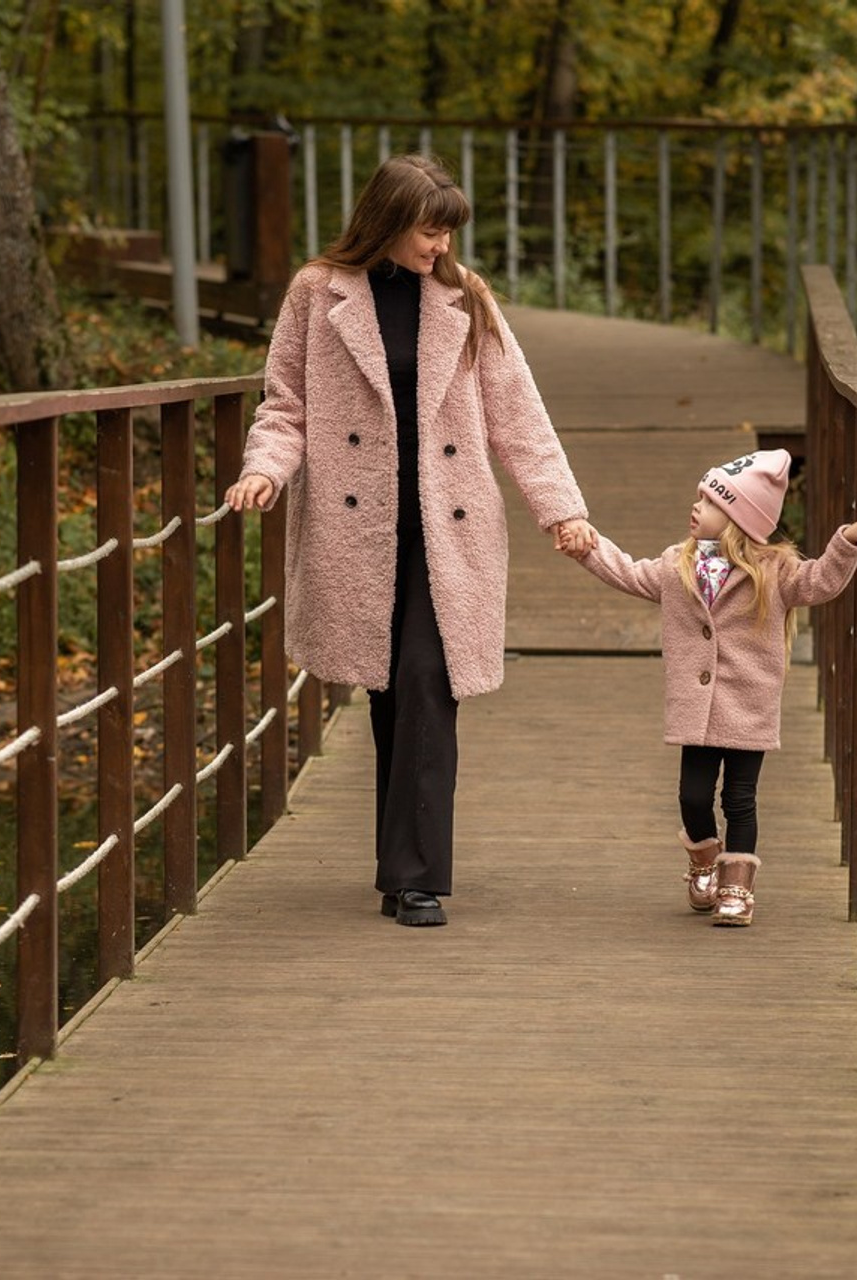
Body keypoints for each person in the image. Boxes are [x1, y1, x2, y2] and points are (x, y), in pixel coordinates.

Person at [225, 154, 595, 928]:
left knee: (428, 678)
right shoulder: (317, 292)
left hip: (446, 526)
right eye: (430, 231)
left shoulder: (465, 297)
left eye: (447, 233)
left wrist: (561, 509)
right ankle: (399, 869)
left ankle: (417, 877)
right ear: (388, 222)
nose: (441, 246)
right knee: (390, 689)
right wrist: (264, 470)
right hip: (356, 528)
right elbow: (285, 404)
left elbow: (516, 412)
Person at [560, 449, 857, 925]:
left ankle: (736, 889)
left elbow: (819, 582)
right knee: (693, 797)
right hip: (696, 710)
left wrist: (846, 542)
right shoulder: (676, 566)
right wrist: (587, 546)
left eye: (709, 502)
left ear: (739, 520)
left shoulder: (776, 572)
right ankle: (704, 861)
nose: (696, 507)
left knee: (739, 799)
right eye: (699, 498)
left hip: (749, 706)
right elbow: (628, 571)